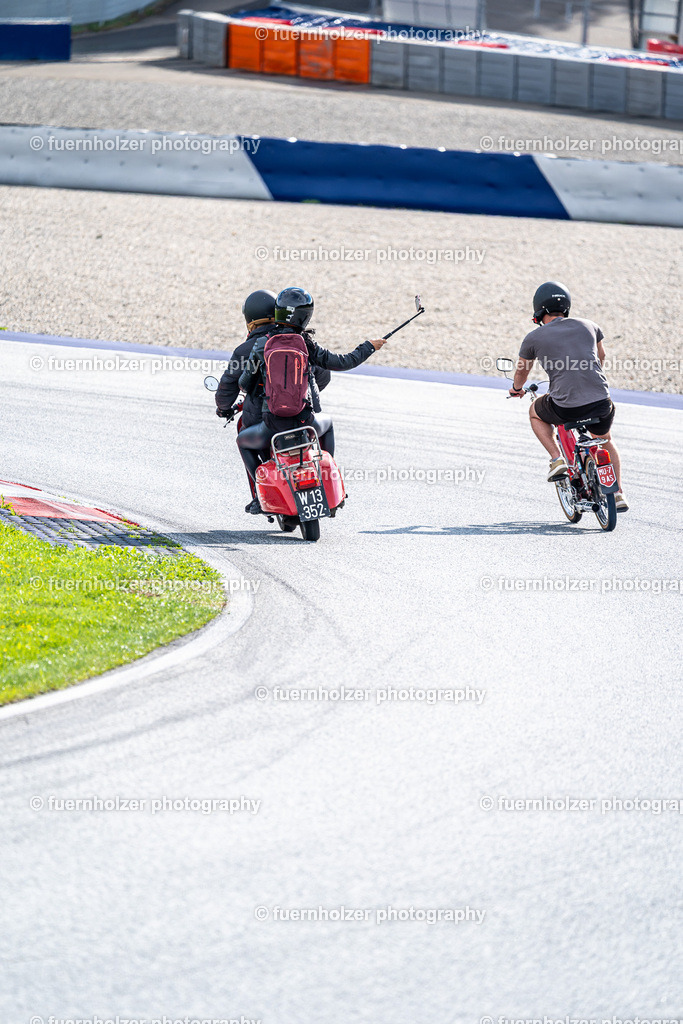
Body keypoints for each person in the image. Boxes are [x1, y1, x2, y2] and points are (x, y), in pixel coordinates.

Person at [236, 286, 387, 514]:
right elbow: (344, 362)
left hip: (272, 426)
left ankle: (259, 495)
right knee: (329, 424)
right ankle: (327, 480)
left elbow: (244, 383)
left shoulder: (261, 345)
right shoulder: (307, 344)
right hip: (306, 423)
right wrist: (369, 347)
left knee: (242, 441)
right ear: (305, 316)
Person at [510, 281, 628, 512]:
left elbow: (522, 370)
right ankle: (619, 493)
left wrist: (516, 388)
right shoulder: (590, 325)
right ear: (566, 307)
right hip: (601, 402)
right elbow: (601, 357)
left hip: (566, 407)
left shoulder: (534, 337)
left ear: (539, 310)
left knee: (535, 413)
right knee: (605, 439)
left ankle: (557, 459)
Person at [215, 288, 332, 511]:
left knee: (244, 439)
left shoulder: (246, 349)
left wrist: (223, 408)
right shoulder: (300, 341)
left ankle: (260, 495)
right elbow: (324, 376)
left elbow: (229, 385)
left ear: (250, 318)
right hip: (303, 416)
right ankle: (325, 472)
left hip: (264, 421)